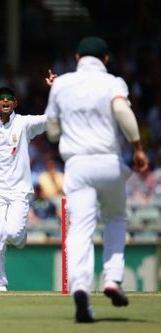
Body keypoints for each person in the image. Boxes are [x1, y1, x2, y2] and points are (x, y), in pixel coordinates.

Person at [44, 36, 149, 322]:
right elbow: (121, 111)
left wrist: (66, 128)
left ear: (77, 58)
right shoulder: (113, 82)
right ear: (105, 59)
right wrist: (138, 148)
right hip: (108, 162)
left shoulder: (61, 84)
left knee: (80, 229)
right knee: (115, 218)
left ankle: (80, 287)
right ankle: (113, 279)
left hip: (77, 164)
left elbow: (52, 130)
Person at [0, 86, 48, 292]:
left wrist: (56, 90)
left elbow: (51, 119)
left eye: (9, 99)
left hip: (19, 190)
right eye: (1, 99)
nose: (5, 102)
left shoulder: (23, 124)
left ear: (15, 103)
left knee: (12, 233)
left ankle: (20, 237)